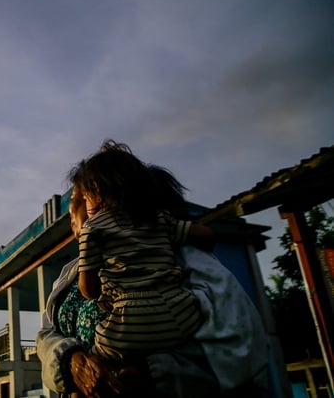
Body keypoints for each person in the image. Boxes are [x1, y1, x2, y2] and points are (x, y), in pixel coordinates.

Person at [36, 147, 269, 398]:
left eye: (80, 198)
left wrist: (153, 374)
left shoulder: (184, 260)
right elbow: (46, 336)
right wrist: (71, 362)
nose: (72, 211)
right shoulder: (70, 273)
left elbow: (240, 351)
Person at [72, 140, 215, 362]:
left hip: (129, 322)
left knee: (94, 362)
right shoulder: (158, 218)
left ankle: (130, 370)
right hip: (181, 316)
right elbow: (206, 235)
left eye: (83, 196)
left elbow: (88, 289)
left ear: (96, 190)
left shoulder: (93, 229)